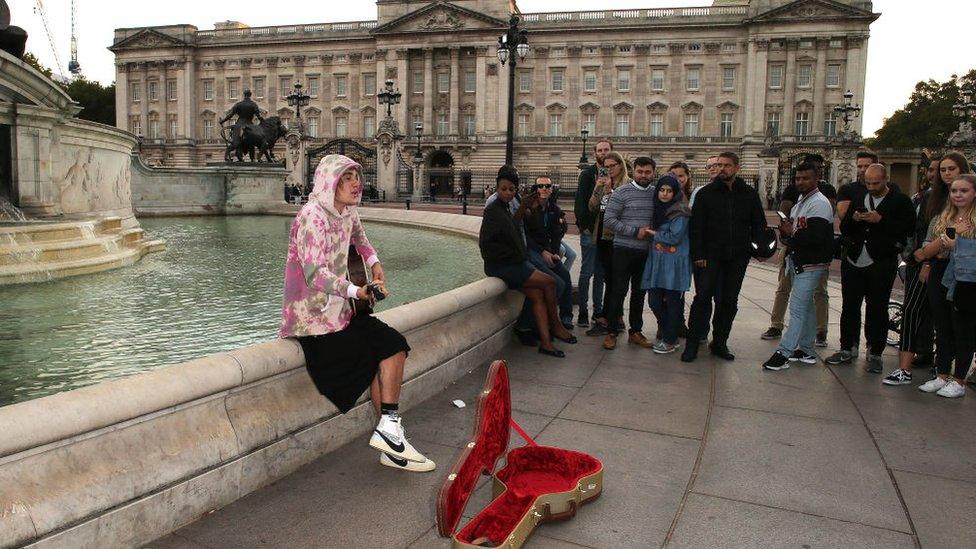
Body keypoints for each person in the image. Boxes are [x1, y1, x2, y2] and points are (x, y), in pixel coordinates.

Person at [279, 154, 434, 473]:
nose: (356, 183)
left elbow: (362, 242)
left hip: (344, 311)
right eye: (347, 177)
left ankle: (389, 434)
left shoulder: (348, 211)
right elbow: (314, 274)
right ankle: (392, 443)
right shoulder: (311, 216)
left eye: (356, 176)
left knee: (394, 345)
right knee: (376, 354)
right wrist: (357, 291)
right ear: (329, 181)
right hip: (314, 319)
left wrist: (376, 264)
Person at [480, 165, 576, 358]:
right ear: (497, 190)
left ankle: (546, 343)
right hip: (504, 266)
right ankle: (555, 325)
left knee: (538, 295)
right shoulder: (492, 210)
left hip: (515, 262)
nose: (507, 193)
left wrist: (523, 206)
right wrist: (515, 257)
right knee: (550, 283)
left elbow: (514, 226)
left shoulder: (508, 206)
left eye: (511, 189)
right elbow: (486, 246)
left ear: (516, 190)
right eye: (504, 189)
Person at [825, 164, 914, 373]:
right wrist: (854, 219)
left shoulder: (900, 202)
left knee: (877, 308)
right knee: (849, 306)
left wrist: (881, 220)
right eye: (868, 183)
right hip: (854, 259)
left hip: (881, 262)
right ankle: (848, 347)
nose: (872, 187)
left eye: (876, 183)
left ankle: (875, 353)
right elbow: (845, 228)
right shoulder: (859, 198)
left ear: (886, 180)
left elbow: (907, 230)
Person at [682, 152, 767, 362]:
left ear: (736, 168)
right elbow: (696, 227)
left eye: (726, 165)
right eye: (718, 165)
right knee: (702, 298)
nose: (721, 169)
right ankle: (692, 343)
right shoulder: (705, 194)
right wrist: (698, 253)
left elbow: (758, 223)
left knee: (729, 300)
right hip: (710, 255)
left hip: (738, 256)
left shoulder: (748, 193)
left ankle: (720, 342)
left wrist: (759, 249)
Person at [882, 155, 957, 385]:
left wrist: (926, 258)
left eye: (949, 169)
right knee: (912, 311)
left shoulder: (959, 198)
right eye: (938, 169)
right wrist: (921, 259)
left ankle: (941, 368)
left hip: (946, 264)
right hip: (923, 261)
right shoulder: (927, 198)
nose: (942, 174)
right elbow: (922, 230)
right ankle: (905, 368)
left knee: (944, 319)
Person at [762, 162, 836, 371]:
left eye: (805, 178)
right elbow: (796, 234)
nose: (800, 182)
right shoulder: (800, 203)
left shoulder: (819, 204)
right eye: (798, 178)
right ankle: (806, 349)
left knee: (797, 309)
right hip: (800, 260)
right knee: (808, 308)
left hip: (811, 262)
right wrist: (787, 232)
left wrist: (790, 232)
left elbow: (816, 236)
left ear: (816, 179)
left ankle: (784, 352)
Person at [913, 171, 975, 398]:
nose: (958, 195)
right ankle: (941, 375)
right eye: (954, 191)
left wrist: (956, 245)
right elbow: (923, 252)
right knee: (943, 327)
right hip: (940, 274)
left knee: (963, 329)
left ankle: (959, 380)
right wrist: (945, 242)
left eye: (964, 191)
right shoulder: (942, 218)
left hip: (966, 280)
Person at [602, 156, 658, 350]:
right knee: (618, 290)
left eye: (647, 172)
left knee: (639, 293)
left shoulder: (656, 193)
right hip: (623, 249)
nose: (643, 175)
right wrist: (635, 231)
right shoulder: (621, 192)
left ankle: (636, 331)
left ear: (653, 173)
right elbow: (609, 220)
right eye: (640, 171)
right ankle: (611, 331)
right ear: (633, 171)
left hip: (645, 252)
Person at [641, 176, 692, 354]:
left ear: (675, 193)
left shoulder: (681, 212)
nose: (664, 194)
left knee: (672, 302)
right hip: (658, 261)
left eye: (669, 191)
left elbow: (675, 237)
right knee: (654, 301)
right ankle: (671, 333)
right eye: (662, 190)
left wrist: (653, 233)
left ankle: (670, 339)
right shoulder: (656, 209)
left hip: (674, 263)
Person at [585, 151, 629, 341]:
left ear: (621, 165)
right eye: (606, 167)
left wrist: (611, 191)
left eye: (612, 166)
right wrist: (598, 187)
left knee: (615, 280)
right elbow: (593, 206)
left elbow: (620, 209)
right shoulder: (604, 183)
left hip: (617, 239)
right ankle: (613, 317)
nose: (609, 169)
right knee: (608, 277)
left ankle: (609, 319)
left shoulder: (627, 184)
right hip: (602, 235)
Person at [523, 176, 575, 329]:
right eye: (540, 186)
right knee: (553, 280)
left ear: (552, 189)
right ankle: (546, 319)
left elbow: (556, 234)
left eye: (547, 186)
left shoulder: (554, 209)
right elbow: (525, 236)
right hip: (532, 250)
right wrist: (543, 252)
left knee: (565, 275)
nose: (544, 189)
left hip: (547, 250)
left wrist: (555, 253)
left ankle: (566, 316)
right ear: (535, 189)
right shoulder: (528, 209)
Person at [574, 140, 612, 328]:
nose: (603, 153)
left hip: (606, 231)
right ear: (595, 152)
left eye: (606, 150)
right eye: (600, 150)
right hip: (591, 229)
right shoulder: (588, 174)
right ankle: (582, 310)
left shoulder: (616, 173)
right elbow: (580, 201)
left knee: (600, 273)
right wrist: (583, 226)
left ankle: (598, 311)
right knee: (586, 272)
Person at [219, 89, 264, 161]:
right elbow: (259, 117)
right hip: (250, 126)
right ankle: (252, 159)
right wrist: (264, 122)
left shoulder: (239, 104)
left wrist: (222, 121)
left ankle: (227, 156)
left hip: (239, 125)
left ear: (244, 95)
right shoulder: (253, 104)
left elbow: (230, 115)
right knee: (251, 143)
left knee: (235, 143)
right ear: (250, 95)